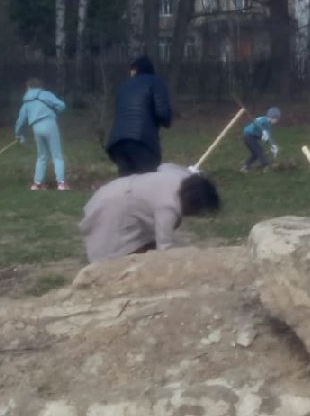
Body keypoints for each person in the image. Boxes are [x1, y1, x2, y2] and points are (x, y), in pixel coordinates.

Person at [79, 164, 221, 262]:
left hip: (120, 189)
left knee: (142, 243)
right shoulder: (168, 206)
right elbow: (164, 246)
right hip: (113, 205)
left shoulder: (182, 176)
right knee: (111, 256)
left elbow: (164, 166)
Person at [105, 55, 173, 176]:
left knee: (126, 185)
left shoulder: (124, 85)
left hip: (118, 143)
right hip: (142, 142)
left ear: (136, 70)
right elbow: (163, 114)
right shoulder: (156, 82)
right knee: (146, 183)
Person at [14, 78, 69, 191]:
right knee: (57, 155)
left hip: (36, 127)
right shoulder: (46, 94)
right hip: (50, 124)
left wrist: (19, 134)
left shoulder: (26, 101)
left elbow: (21, 120)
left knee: (41, 156)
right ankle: (61, 183)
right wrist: (55, 112)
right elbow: (61, 105)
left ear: (28, 87)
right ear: (40, 86)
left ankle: (37, 184)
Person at [241, 107, 282, 172]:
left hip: (251, 137)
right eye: (277, 119)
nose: (277, 121)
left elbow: (268, 136)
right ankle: (265, 165)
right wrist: (262, 130)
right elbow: (256, 123)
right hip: (249, 136)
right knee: (260, 150)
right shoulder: (263, 120)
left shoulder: (267, 124)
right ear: (273, 118)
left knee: (255, 154)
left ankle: (245, 166)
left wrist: (273, 145)